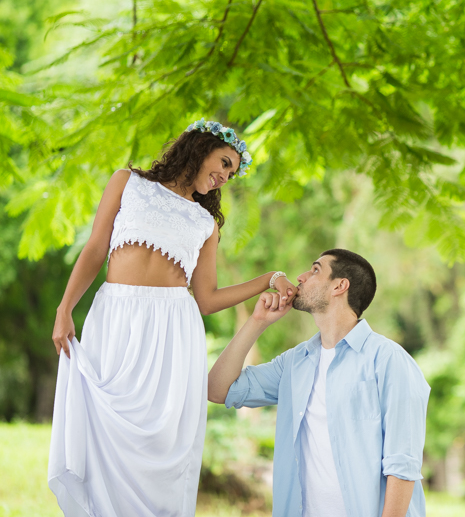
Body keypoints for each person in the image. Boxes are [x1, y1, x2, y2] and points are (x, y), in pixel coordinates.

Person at [48, 119, 297, 517]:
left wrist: (267, 279)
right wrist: (65, 308)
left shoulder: (205, 224)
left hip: (171, 332)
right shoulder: (126, 182)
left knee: (159, 444)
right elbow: (96, 248)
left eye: (231, 173)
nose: (224, 176)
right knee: (103, 432)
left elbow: (209, 299)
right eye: (224, 162)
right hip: (114, 318)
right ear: (199, 147)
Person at [208, 249, 430, 517]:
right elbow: (218, 389)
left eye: (315, 270)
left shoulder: (389, 361)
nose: (300, 277)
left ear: (340, 286)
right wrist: (257, 322)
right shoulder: (294, 362)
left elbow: (402, 464)